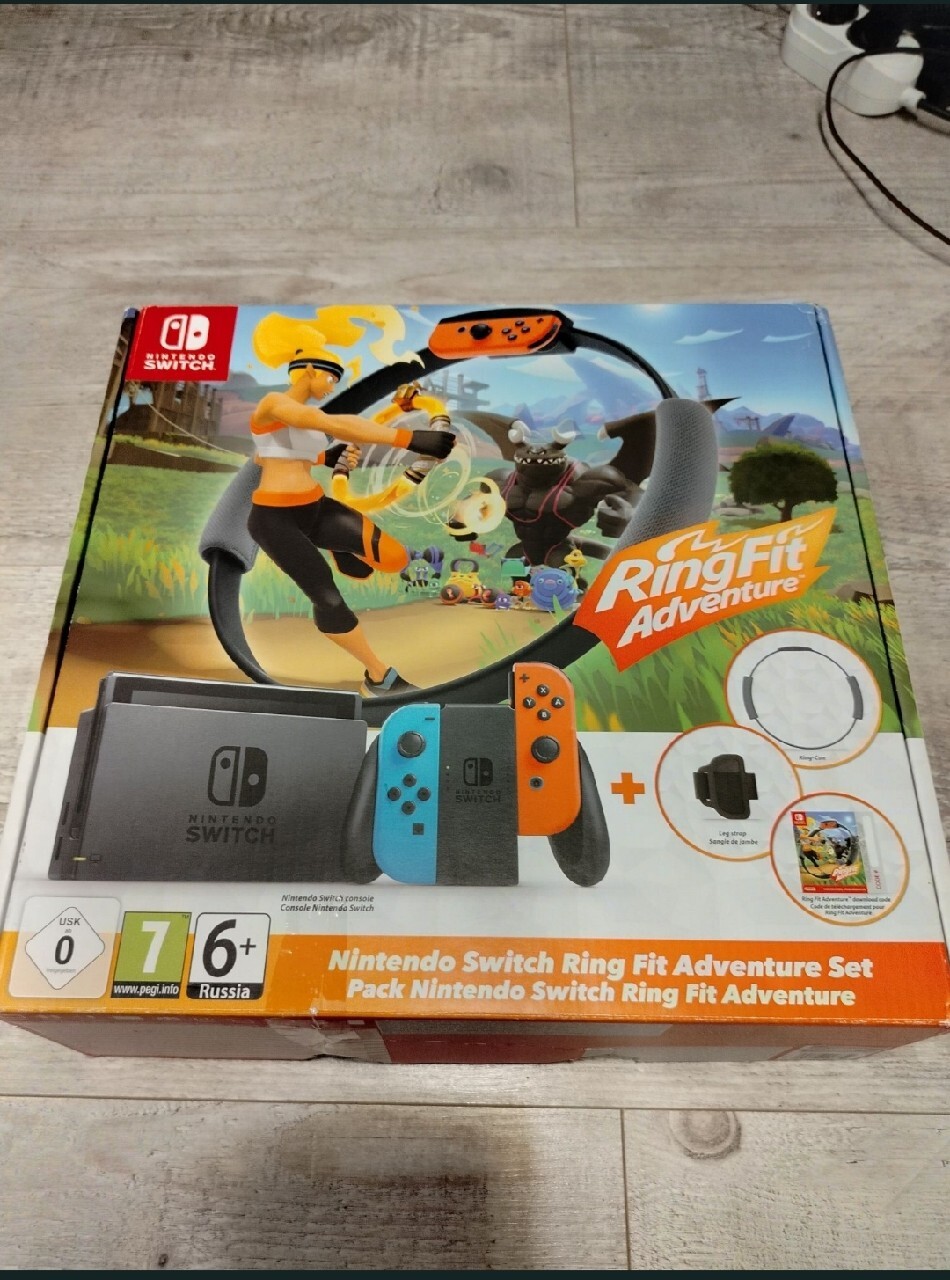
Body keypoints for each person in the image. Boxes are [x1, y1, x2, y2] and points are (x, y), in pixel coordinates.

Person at [247, 310, 454, 696]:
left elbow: (279, 453)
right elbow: (328, 424)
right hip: (275, 520)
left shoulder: (296, 420)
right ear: (310, 369)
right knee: (326, 596)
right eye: (331, 377)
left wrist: (330, 458)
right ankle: (379, 675)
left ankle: (337, 546)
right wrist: (410, 440)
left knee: (394, 558)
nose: (332, 386)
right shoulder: (275, 403)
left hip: (315, 507)